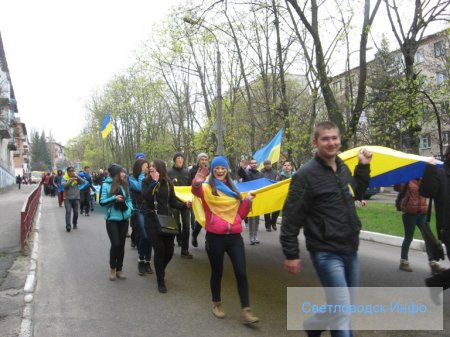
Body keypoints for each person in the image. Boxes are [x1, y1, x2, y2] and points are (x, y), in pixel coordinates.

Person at [280, 121, 372, 337]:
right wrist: (291, 253)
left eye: (334, 138)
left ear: (339, 140)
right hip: (326, 251)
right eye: (325, 138)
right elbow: (291, 216)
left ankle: (314, 324)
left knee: (344, 307)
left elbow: (356, 193)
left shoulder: (342, 167)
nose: (331, 143)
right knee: (342, 314)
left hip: (350, 248)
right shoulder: (305, 175)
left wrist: (364, 166)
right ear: (316, 142)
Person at [192, 156, 259, 324]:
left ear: (227, 169)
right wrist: (197, 182)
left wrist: (248, 202)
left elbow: (240, 215)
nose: (220, 171)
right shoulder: (207, 188)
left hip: (235, 237)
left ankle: (246, 310)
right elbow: (195, 192)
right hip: (215, 238)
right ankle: (216, 304)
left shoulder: (234, 189)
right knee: (217, 272)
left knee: (241, 273)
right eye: (217, 168)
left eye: (222, 168)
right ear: (213, 171)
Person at [141, 159, 191, 293]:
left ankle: (160, 269)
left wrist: (184, 205)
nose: (151, 168)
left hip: (167, 219)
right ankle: (160, 280)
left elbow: (173, 202)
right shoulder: (146, 182)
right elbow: (146, 197)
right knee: (159, 250)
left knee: (169, 252)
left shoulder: (168, 183)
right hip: (151, 220)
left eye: (154, 167)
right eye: (150, 167)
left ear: (160, 169)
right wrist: (154, 182)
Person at [394, 179, 444, 274]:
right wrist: (400, 177)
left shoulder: (425, 180)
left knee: (428, 238)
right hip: (409, 213)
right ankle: (403, 261)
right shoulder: (408, 179)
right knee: (409, 238)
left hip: (422, 214)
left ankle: (433, 263)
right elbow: (397, 188)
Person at [420, 144, 450, 291]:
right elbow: (426, 191)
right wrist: (429, 168)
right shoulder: (441, 173)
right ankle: (436, 283)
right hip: (448, 229)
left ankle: (436, 283)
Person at [99, 164, 133, 281]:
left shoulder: (125, 184)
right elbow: (102, 202)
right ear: (115, 174)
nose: (124, 174)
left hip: (124, 219)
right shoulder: (106, 185)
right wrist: (114, 198)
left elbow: (129, 200)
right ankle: (112, 268)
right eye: (121, 172)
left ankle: (120, 269)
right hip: (112, 220)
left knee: (122, 245)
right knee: (116, 244)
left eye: (124, 172)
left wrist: (129, 210)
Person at [129, 158, 153, 275]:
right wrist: (142, 175)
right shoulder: (132, 178)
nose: (146, 168)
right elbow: (140, 188)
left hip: (150, 210)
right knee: (145, 236)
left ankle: (147, 261)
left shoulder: (150, 178)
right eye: (144, 166)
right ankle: (141, 260)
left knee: (150, 237)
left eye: (147, 166)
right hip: (139, 210)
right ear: (138, 167)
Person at [168, 152, 193, 258]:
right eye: (178, 158)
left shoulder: (187, 172)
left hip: (185, 202)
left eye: (181, 158)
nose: (180, 160)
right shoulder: (169, 172)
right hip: (173, 202)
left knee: (187, 226)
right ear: (174, 160)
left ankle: (185, 250)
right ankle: (175, 242)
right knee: (176, 225)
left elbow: (191, 187)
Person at [238, 158, 263, 244]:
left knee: (257, 218)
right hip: (250, 198)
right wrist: (242, 167)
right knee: (252, 218)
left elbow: (264, 184)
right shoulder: (247, 173)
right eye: (252, 163)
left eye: (255, 163)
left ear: (257, 164)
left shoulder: (260, 174)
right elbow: (240, 174)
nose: (254, 164)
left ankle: (255, 236)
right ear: (250, 165)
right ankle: (251, 237)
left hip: (258, 198)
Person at [189, 152, 209, 247]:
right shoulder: (192, 170)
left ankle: (208, 242)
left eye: (205, 159)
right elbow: (189, 184)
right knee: (200, 218)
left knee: (209, 218)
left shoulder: (210, 170)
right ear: (198, 160)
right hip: (197, 196)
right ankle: (194, 234)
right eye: (202, 159)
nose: (204, 161)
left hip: (208, 196)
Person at [61, 167, 84, 232]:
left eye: (72, 171)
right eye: (70, 171)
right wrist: (70, 181)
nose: (71, 172)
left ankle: (74, 223)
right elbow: (64, 185)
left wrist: (77, 177)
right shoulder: (64, 178)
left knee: (76, 212)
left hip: (76, 198)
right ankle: (68, 226)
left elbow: (82, 182)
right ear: (67, 172)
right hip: (67, 198)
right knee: (68, 211)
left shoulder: (76, 177)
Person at [260, 160, 279, 232]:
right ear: (264, 165)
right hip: (265, 193)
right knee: (267, 210)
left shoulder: (275, 172)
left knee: (277, 209)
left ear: (271, 165)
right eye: (266, 164)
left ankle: (273, 222)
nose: (267, 165)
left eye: (269, 164)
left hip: (274, 192)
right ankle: (268, 226)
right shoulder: (261, 173)